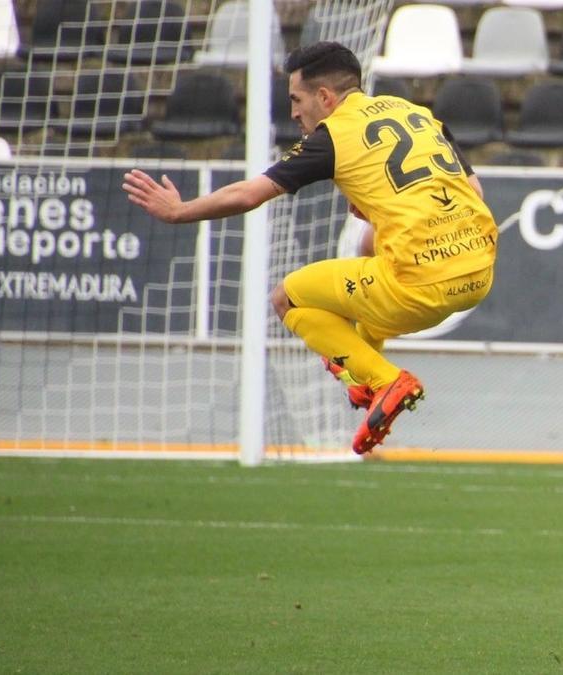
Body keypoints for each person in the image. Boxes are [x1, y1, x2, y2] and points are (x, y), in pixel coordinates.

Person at [122, 42, 497, 454]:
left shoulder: (333, 136)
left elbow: (250, 194)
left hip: (416, 287)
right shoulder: (414, 112)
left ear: (324, 97)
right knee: (368, 260)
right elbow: (473, 190)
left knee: (286, 298)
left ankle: (384, 380)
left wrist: (179, 211)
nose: (295, 113)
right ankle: (364, 380)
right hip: (477, 274)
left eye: (297, 100)